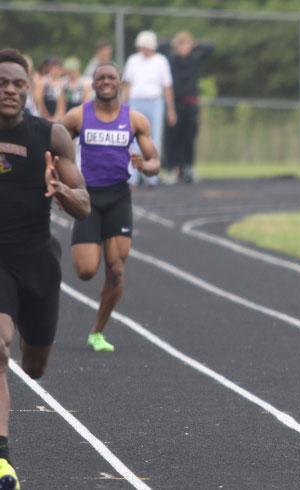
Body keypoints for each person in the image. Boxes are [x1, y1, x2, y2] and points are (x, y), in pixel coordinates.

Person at [0, 47, 91, 488]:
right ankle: (2, 462)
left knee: (34, 367)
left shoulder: (51, 137)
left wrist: (60, 191)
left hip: (36, 261)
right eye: (2, 83)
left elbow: (85, 205)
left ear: (28, 88)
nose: (10, 90)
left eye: (18, 83)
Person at [61, 62, 160, 351]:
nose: (105, 81)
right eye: (100, 77)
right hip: (88, 198)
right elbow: (54, 147)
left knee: (116, 269)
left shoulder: (135, 120)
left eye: (111, 78)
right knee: (86, 271)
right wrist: (59, 178)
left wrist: (146, 166)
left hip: (118, 197)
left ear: (120, 84)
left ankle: (97, 332)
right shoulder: (78, 116)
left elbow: (155, 163)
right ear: (93, 84)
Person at [122, 30, 175, 187]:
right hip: (136, 102)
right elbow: (128, 85)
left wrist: (171, 109)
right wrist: (121, 105)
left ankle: (152, 176)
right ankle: (132, 177)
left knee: (154, 139)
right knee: (133, 140)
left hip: (155, 102)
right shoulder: (133, 61)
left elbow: (167, 87)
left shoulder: (161, 61)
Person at [160, 30, 212, 184]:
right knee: (172, 136)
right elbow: (159, 45)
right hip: (174, 104)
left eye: (186, 44)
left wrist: (193, 43)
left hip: (190, 103)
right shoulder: (171, 59)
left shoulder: (195, 58)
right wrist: (174, 43)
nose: (184, 48)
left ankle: (187, 167)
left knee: (189, 136)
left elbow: (210, 47)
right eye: (181, 45)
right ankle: (172, 168)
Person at [33, 56, 66, 122]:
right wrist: (47, 117)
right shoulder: (43, 81)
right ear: (53, 68)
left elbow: (62, 102)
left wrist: (58, 116)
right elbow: (38, 101)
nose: (61, 71)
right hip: (43, 115)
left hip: (56, 117)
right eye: (59, 68)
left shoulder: (61, 83)